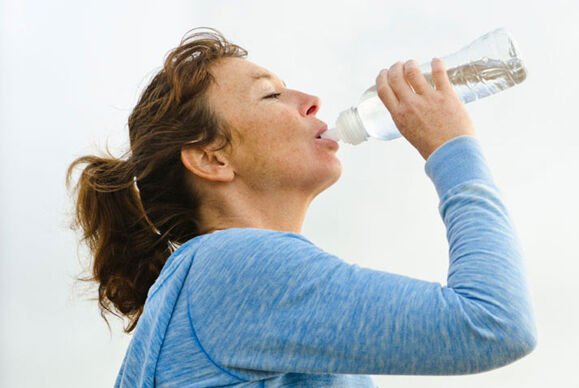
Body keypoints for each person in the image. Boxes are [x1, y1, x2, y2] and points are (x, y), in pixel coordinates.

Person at [66, 27, 537, 388]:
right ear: (212, 158)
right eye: (271, 94)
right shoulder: (233, 269)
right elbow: (494, 322)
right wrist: (451, 147)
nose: (312, 102)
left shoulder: (219, 280)